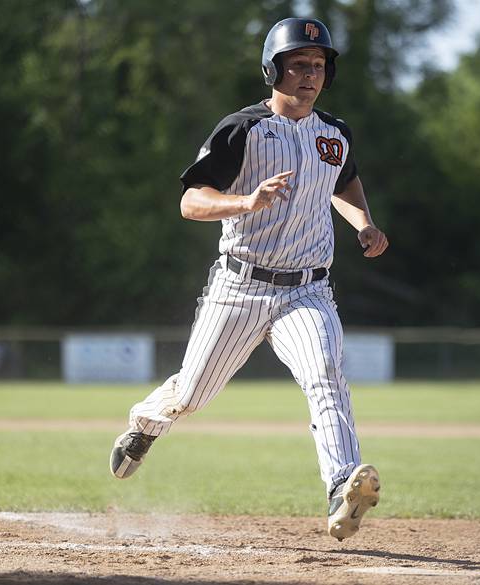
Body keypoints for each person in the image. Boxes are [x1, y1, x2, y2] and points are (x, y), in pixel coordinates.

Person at [110, 17, 389, 541]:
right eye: (299, 64)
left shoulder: (335, 134)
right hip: (240, 288)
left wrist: (365, 222)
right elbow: (191, 201)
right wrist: (246, 200)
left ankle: (340, 487)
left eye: (319, 65)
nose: (311, 73)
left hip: (308, 289)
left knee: (325, 372)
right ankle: (145, 425)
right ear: (273, 70)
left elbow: (344, 182)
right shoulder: (243, 129)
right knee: (191, 395)